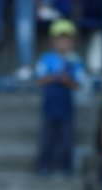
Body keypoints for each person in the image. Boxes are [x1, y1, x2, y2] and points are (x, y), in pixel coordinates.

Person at [35, 19, 86, 176]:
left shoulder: (75, 61)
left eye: (66, 39)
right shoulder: (46, 59)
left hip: (67, 105)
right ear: (52, 41)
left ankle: (66, 167)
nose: (63, 43)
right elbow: (39, 79)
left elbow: (78, 84)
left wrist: (66, 80)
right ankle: (44, 166)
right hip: (50, 104)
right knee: (47, 137)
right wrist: (54, 77)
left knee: (66, 138)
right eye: (59, 39)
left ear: (73, 41)